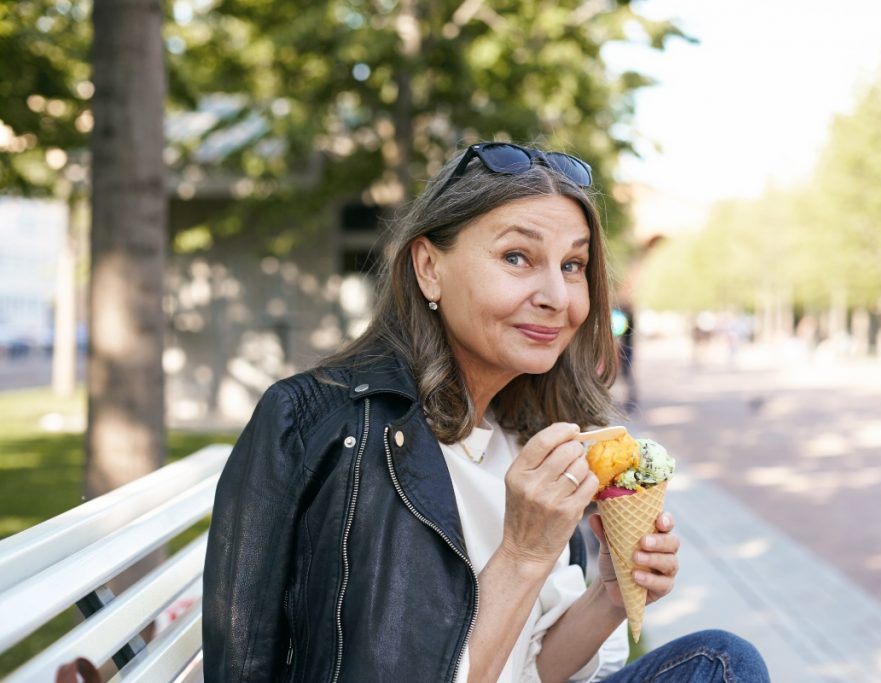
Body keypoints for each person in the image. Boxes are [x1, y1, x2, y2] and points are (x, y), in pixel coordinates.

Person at [202, 141, 771, 682]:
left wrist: (609, 597)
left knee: (722, 663)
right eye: (517, 257)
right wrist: (524, 553)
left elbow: (526, 670)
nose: (557, 296)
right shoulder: (320, 424)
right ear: (428, 267)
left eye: (573, 265)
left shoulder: (527, 433)